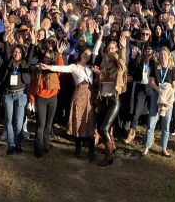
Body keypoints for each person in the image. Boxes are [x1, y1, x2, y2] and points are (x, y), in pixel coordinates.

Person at [41, 46, 96, 161]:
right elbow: (62, 68)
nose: (87, 56)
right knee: (78, 122)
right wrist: (49, 67)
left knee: (90, 122)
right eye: (85, 54)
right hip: (79, 95)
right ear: (80, 54)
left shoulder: (90, 68)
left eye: (89, 55)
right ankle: (78, 150)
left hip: (89, 97)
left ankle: (91, 153)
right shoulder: (74, 67)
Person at [29, 36, 65, 158]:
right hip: (41, 98)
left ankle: (46, 145)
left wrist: (60, 54)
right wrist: (32, 99)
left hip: (52, 98)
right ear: (43, 58)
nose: (47, 59)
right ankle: (38, 148)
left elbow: (61, 68)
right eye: (45, 57)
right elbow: (33, 84)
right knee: (40, 124)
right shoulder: (38, 70)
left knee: (49, 124)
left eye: (49, 58)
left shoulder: (54, 69)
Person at [95, 34, 128, 166]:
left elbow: (122, 63)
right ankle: (111, 147)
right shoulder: (103, 64)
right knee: (100, 127)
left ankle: (109, 156)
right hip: (104, 100)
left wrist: (123, 49)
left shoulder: (118, 67)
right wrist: (98, 74)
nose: (110, 50)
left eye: (113, 48)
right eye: (109, 47)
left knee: (104, 129)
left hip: (114, 101)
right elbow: (100, 83)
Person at [0, 42, 32, 155]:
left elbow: (30, 57)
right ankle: (11, 144)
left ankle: (18, 143)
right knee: (8, 120)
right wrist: (7, 40)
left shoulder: (24, 63)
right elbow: (6, 52)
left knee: (18, 122)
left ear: (22, 54)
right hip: (8, 95)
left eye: (19, 52)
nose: (17, 54)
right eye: (15, 52)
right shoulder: (8, 62)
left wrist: (32, 44)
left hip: (20, 95)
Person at [143, 47, 175, 156]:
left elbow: (174, 86)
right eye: (161, 55)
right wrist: (160, 91)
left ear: (168, 56)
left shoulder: (172, 69)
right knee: (151, 122)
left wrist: (166, 94)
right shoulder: (155, 68)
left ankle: (164, 147)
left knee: (166, 124)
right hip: (156, 96)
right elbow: (151, 82)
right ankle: (147, 146)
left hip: (168, 99)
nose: (163, 57)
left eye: (165, 54)